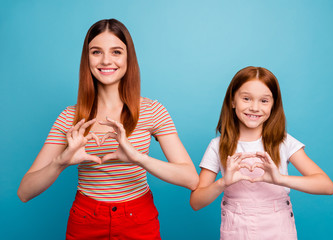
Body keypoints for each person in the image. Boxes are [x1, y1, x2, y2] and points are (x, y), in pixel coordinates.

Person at [18, 19, 199, 240]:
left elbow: (191, 179)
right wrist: (61, 162)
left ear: (128, 58)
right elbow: (24, 192)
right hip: (85, 220)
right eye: (96, 52)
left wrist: (137, 158)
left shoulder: (153, 110)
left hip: (139, 219)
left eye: (116, 52)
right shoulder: (69, 117)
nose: (106, 60)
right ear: (87, 59)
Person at [190, 66, 333, 240]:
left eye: (264, 101)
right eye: (246, 98)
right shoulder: (217, 146)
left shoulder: (284, 141)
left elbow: (326, 186)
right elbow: (196, 202)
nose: (255, 107)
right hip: (236, 230)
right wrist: (223, 183)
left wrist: (279, 179)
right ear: (232, 101)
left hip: (279, 229)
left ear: (273, 105)